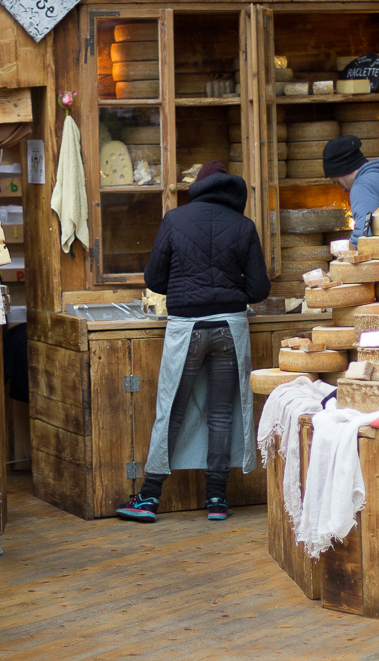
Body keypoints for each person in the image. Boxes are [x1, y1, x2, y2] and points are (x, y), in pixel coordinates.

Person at [116, 161, 271, 523]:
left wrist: (186, 285)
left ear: (198, 187)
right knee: (221, 412)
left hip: (186, 327)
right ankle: (216, 498)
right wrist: (228, 288)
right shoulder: (244, 225)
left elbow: (154, 279)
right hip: (230, 327)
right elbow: (259, 289)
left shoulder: (175, 219)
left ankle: (149, 497)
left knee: (171, 408)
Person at [322, 135, 379, 246]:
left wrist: (344, 252)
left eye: (337, 181)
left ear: (344, 170)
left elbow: (363, 238)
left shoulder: (362, 187)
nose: (343, 190)